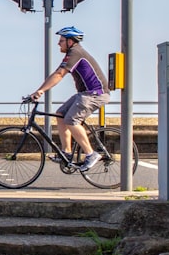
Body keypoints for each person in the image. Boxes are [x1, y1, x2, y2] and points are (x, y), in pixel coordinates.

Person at [28, 26, 110, 171]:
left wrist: (40, 91)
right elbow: (56, 73)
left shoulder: (76, 53)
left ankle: (91, 154)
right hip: (85, 93)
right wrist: (39, 90)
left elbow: (60, 74)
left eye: (61, 40)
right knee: (60, 114)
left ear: (70, 41)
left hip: (95, 94)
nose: (59, 43)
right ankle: (66, 153)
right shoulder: (72, 53)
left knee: (71, 120)